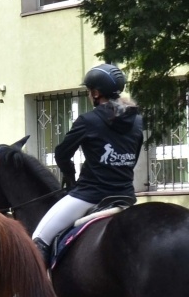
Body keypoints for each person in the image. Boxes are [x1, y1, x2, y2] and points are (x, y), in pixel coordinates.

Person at [30, 63, 143, 263]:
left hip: (90, 195)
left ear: (96, 93)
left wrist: (70, 178)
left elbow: (62, 153)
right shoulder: (136, 121)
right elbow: (132, 157)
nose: (89, 95)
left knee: (38, 240)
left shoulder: (88, 120)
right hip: (125, 196)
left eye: (89, 91)